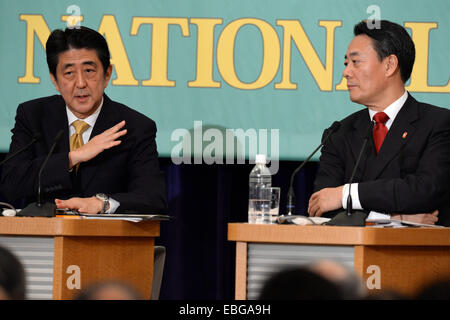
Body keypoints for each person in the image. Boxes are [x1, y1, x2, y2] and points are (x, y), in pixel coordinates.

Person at [0, 26, 167, 214]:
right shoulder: (33, 115)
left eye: (89, 70)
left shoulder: (134, 127)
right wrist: (73, 157)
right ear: (54, 80)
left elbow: (153, 197)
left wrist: (102, 203)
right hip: (44, 240)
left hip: (106, 240)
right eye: (69, 73)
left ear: (107, 74)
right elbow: (11, 183)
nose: (80, 83)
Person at [308, 20, 450, 226]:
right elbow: (321, 208)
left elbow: (424, 190)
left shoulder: (438, 124)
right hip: (351, 256)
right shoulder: (339, 133)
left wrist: (346, 194)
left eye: (356, 62)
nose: (346, 72)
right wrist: (393, 219)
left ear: (389, 65)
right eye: (346, 63)